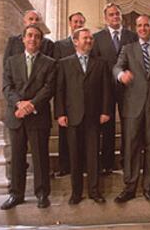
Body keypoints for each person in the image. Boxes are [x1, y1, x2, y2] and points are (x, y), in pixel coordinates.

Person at [113, 15, 150, 203]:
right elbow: (116, 67)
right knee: (131, 146)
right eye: (140, 26)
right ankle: (130, 187)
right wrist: (121, 75)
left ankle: (149, 187)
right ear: (136, 28)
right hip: (133, 105)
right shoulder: (127, 49)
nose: (143, 28)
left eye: (146, 25)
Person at [54, 27, 112, 205]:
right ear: (75, 41)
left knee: (93, 156)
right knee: (75, 156)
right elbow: (60, 91)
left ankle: (95, 191)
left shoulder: (100, 63)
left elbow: (106, 91)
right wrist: (60, 114)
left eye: (90, 39)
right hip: (73, 116)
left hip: (94, 117)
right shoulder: (64, 63)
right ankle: (76, 193)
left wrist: (105, 111)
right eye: (85, 38)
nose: (89, 41)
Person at [1, 24, 56, 210]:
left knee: (40, 157)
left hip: (38, 115)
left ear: (41, 41)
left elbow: (49, 88)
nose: (33, 39)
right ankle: (16, 194)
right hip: (16, 116)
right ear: (23, 39)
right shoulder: (11, 62)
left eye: (37, 37)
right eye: (30, 36)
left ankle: (42, 194)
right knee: (17, 157)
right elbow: (7, 87)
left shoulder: (49, 63)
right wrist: (19, 104)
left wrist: (30, 105)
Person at [93, 3, 138, 174]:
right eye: (111, 15)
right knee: (107, 126)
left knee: (129, 124)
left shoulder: (132, 36)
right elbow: (96, 64)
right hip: (106, 89)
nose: (115, 17)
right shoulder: (97, 38)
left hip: (129, 87)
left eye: (118, 14)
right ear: (105, 18)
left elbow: (137, 61)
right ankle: (107, 162)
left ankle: (127, 159)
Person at [53, 12, 86, 177]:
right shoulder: (60, 45)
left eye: (81, 22)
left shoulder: (88, 43)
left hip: (84, 97)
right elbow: (57, 72)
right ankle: (64, 165)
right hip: (66, 95)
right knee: (64, 133)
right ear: (69, 23)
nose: (78, 24)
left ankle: (83, 164)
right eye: (75, 21)